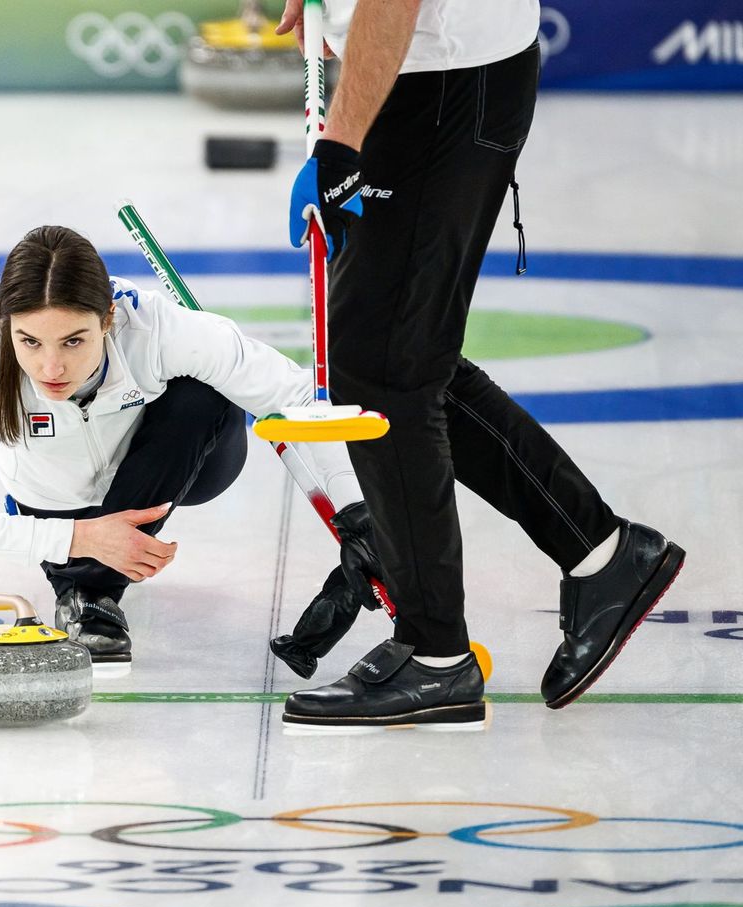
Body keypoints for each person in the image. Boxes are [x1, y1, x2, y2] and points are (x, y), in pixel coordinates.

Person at [279, 0, 684, 726]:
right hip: (441, 73)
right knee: (399, 354)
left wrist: (339, 143)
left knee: (386, 369)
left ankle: (436, 656)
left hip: (441, 81)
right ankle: (604, 554)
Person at [0, 224, 376, 668]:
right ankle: (88, 591)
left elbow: (298, 397)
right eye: (29, 341)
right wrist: (77, 538)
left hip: (184, 470)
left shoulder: (157, 328)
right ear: (8, 326)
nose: (50, 368)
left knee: (204, 391)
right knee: (78, 539)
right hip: (58, 507)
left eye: (73, 341)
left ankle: (90, 588)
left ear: (108, 318)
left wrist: (361, 514)